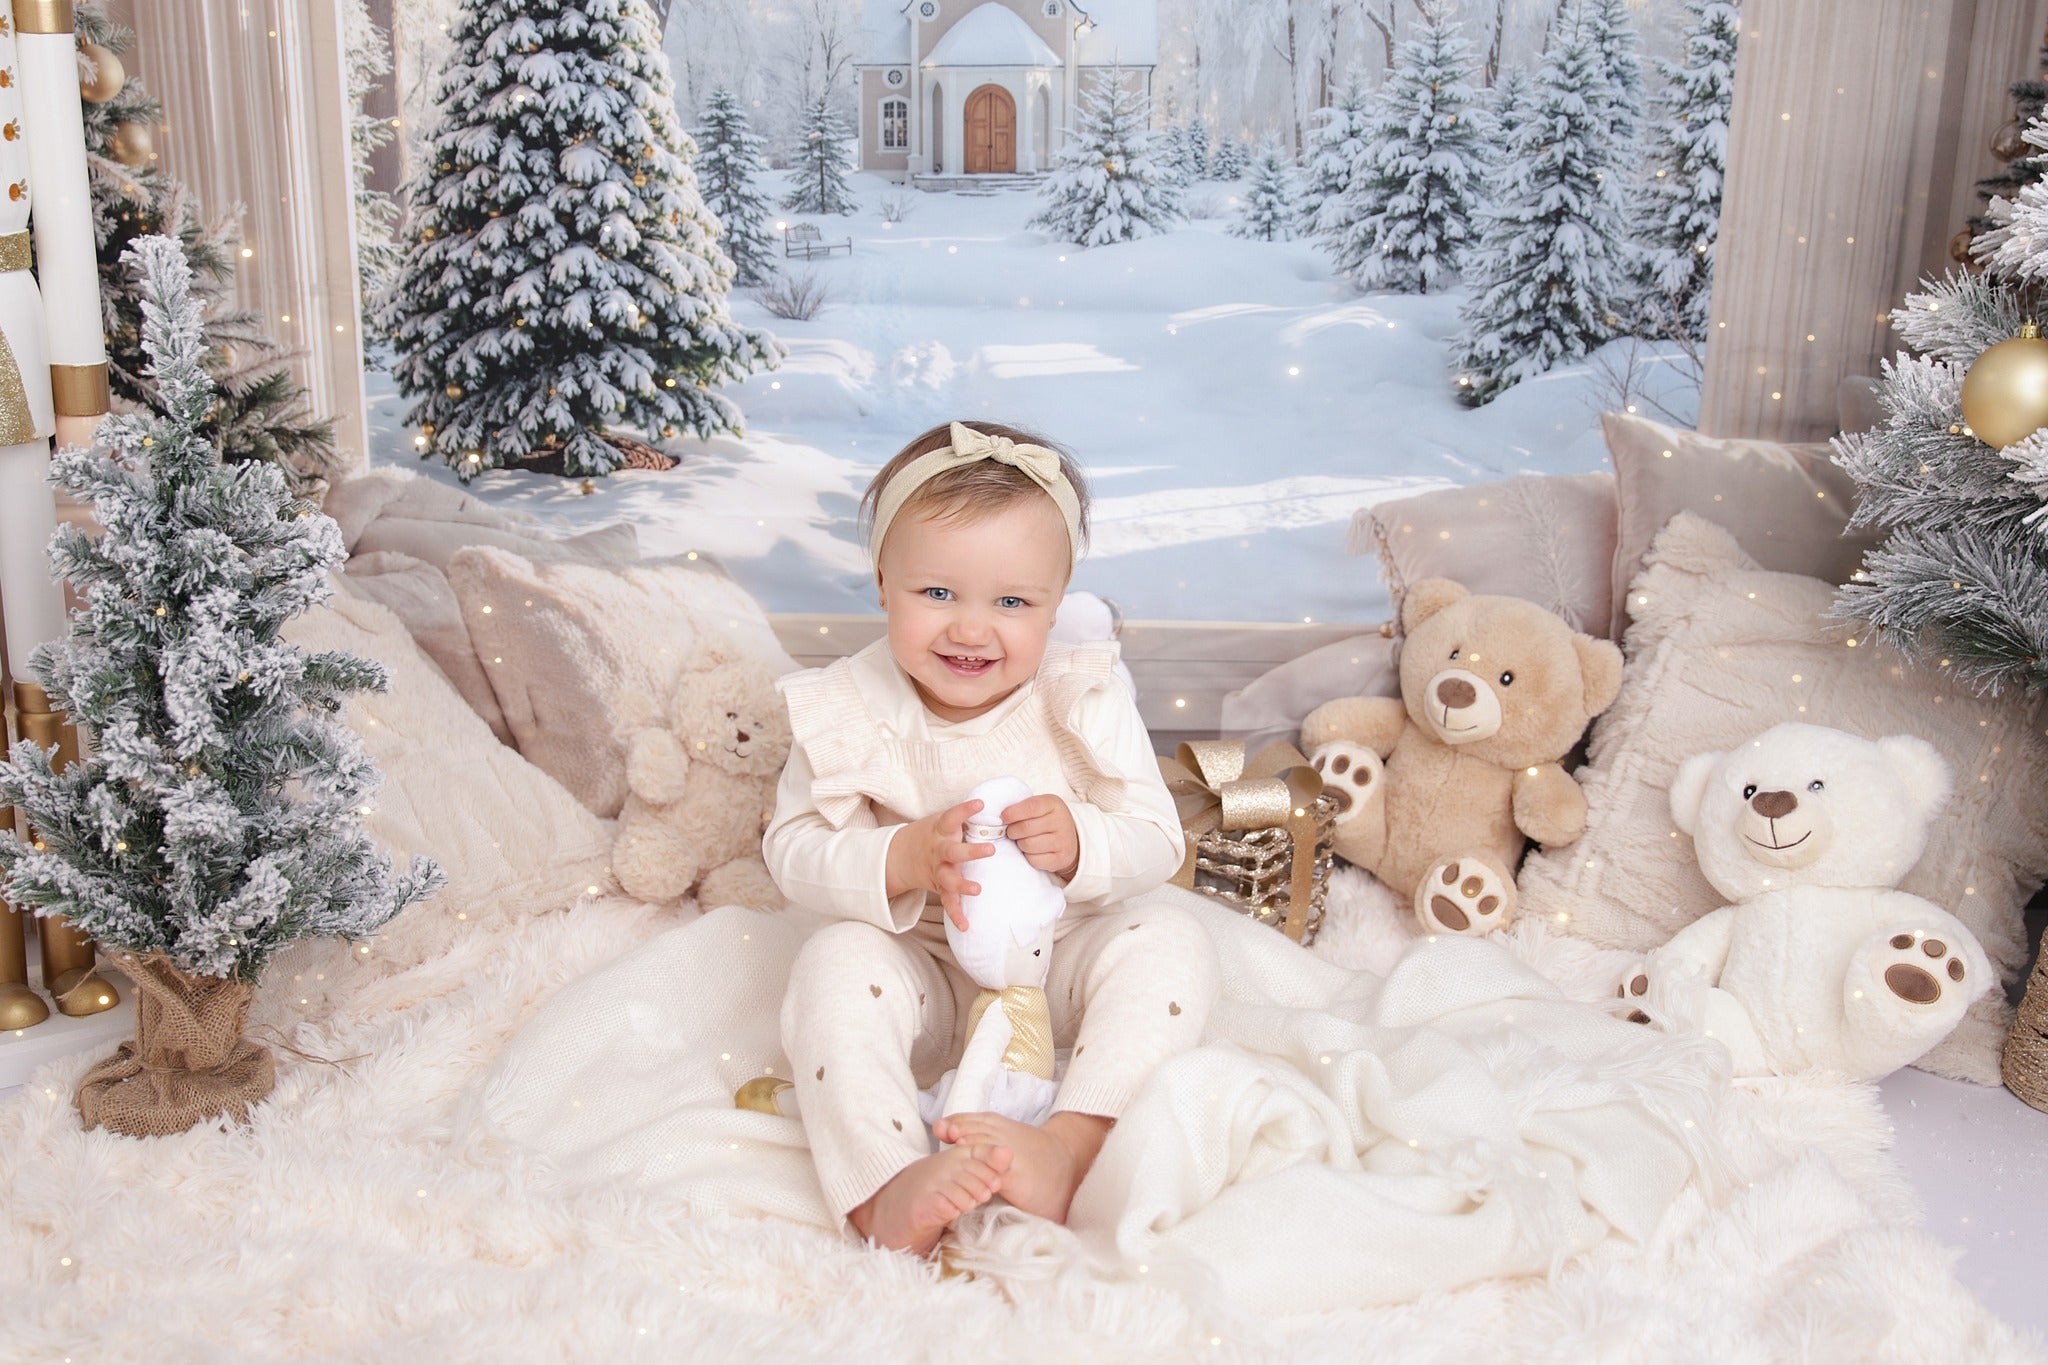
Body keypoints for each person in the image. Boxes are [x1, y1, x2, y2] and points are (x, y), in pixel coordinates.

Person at [764, 419, 1220, 1257]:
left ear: (1056, 601)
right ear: (883, 583)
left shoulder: (1080, 698)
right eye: (937, 593)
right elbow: (790, 848)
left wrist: (1083, 842)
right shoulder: (847, 707)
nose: (972, 630)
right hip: (925, 975)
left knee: (1171, 938)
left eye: (1012, 602)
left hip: (1062, 967)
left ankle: (1069, 1146)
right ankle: (884, 1186)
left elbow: (1159, 837)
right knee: (832, 963)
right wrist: (900, 857)